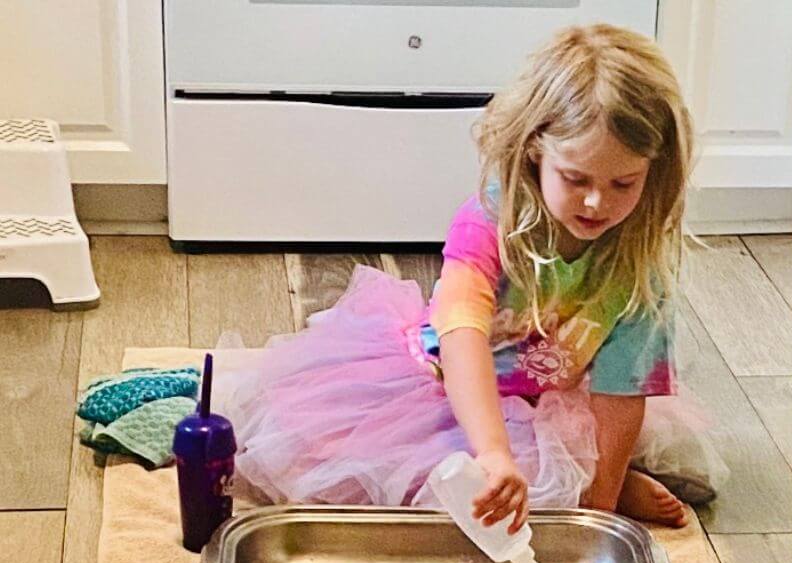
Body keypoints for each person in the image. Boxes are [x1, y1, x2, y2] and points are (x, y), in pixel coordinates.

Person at [219, 24, 726, 531]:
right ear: (535, 151)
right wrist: (494, 454)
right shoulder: (489, 221)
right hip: (450, 383)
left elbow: (622, 390)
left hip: (552, 394)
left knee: (561, 485)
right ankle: (557, 470)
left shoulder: (636, 258)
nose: (598, 202)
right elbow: (462, 338)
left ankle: (593, 480)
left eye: (623, 183)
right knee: (392, 465)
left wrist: (603, 501)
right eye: (576, 179)